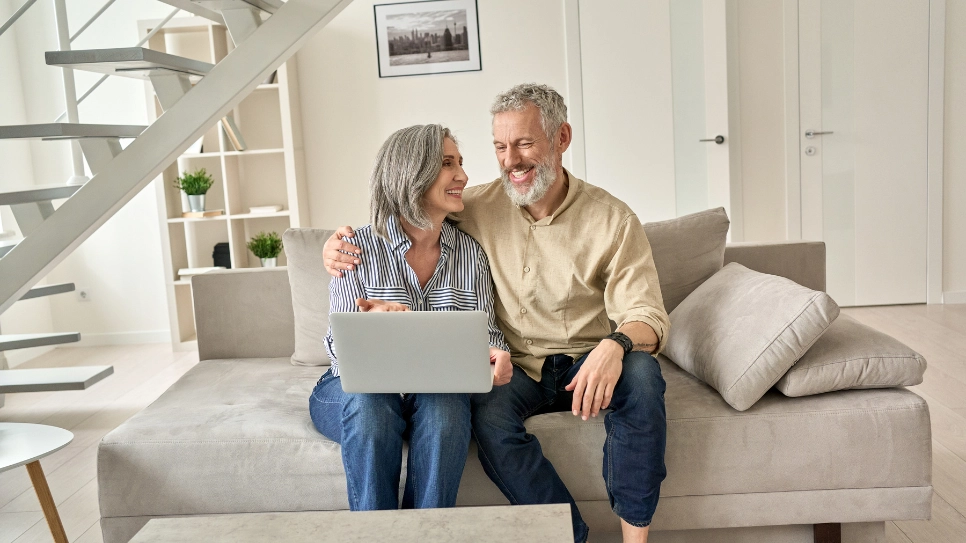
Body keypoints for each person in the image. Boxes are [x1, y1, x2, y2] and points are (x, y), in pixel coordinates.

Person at [322, 84, 669, 543]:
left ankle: (634, 538)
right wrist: (333, 252)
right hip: (508, 371)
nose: (510, 160)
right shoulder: (447, 218)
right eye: (500, 147)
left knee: (641, 375)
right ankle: (569, 536)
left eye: (524, 143)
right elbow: (406, 216)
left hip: (586, 361)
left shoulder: (609, 221)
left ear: (561, 138)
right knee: (436, 410)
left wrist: (616, 344)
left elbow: (647, 315)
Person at [309, 124, 513, 512]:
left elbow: (487, 335)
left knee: (448, 406)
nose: (463, 176)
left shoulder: (469, 254)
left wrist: (497, 357)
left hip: (433, 391)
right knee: (371, 405)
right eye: (448, 164)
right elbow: (339, 355)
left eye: (461, 163)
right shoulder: (356, 249)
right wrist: (371, 326)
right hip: (353, 391)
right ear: (412, 173)